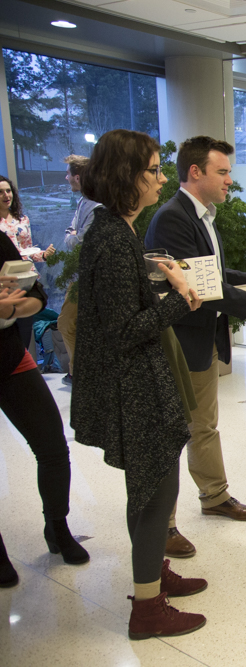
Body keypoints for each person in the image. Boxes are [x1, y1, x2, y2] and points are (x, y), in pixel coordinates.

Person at [72, 129, 208, 638]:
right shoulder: (110, 240)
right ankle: (147, 608)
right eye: (154, 170)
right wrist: (182, 299)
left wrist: (159, 274)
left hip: (138, 382)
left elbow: (121, 299)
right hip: (133, 387)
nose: (162, 178)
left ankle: (154, 575)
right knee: (155, 491)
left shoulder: (117, 231)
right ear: (128, 177)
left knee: (154, 485)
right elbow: (124, 330)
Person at [145, 136, 246, 559]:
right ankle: (166, 524)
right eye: (223, 171)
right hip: (179, 341)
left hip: (201, 339)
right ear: (195, 173)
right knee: (175, 433)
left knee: (204, 425)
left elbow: (207, 268)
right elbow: (195, 285)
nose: (230, 179)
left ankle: (214, 496)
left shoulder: (202, 215)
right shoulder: (172, 217)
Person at [0, 231, 90, 589]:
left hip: (9, 356)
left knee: (53, 447)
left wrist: (9, 308)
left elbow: (36, 297)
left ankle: (57, 526)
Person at [58, 155, 100, 385]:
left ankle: (81, 373)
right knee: (69, 323)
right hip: (78, 274)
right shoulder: (82, 202)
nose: (66, 178)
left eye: (68, 175)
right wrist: (73, 236)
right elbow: (71, 231)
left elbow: (79, 240)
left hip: (88, 277)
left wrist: (72, 237)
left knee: (66, 322)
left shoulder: (97, 206)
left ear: (77, 177)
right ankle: (79, 372)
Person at [0, 175, 55, 348]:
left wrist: (43, 255)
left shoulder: (22, 219)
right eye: (0, 192)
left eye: (8, 191)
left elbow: (27, 250)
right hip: (4, 281)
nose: (6, 195)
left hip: (25, 279)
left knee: (24, 330)